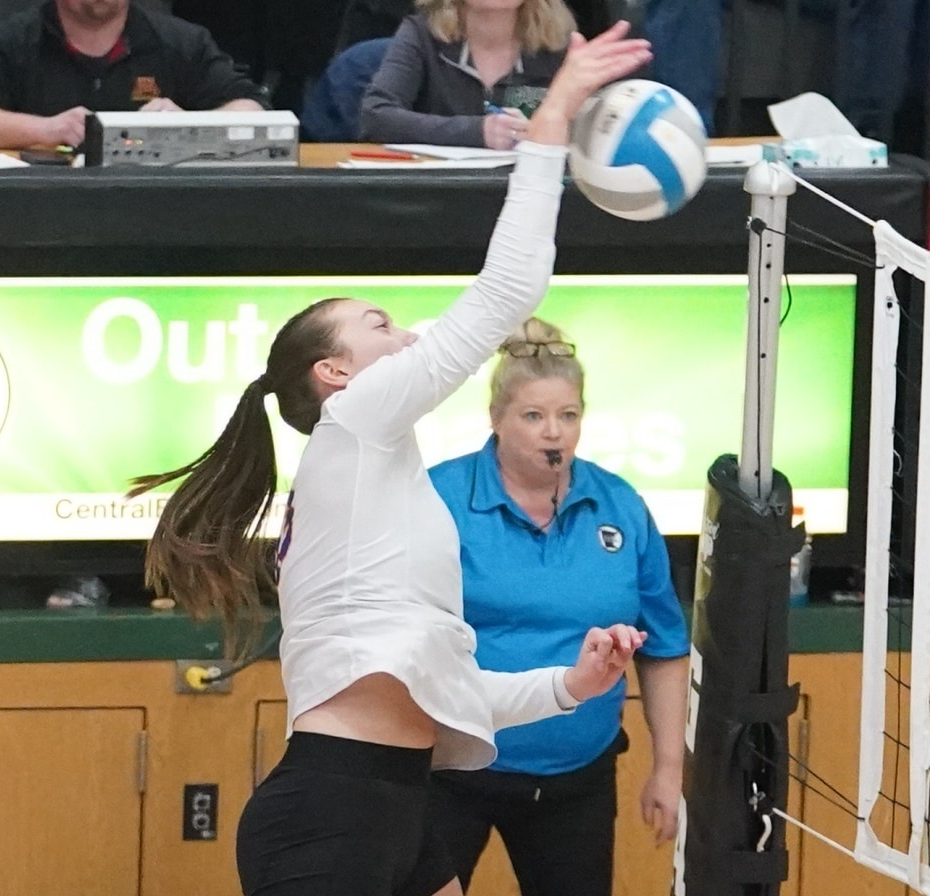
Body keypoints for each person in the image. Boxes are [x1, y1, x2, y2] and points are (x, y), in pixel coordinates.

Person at [127, 21, 653, 896]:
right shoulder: (354, 423)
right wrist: (556, 113)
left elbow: (452, 693)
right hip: (330, 812)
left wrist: (570, 683)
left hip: (397, 805)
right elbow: (507, 292)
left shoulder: (381, 482)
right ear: (334, 374)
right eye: (379, 325)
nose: (405, 335)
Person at [426, 316, 689, 896]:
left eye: (568, 416)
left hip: (577, 778)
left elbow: (665, 647)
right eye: (533, 416)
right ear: (495, 418)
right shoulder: (437, 496)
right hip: (448, 770)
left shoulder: (620, 504)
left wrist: (668, 769)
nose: (554, 433)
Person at [0, 0, 269, 149]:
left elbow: (254, 108)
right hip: (38, 212)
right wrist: (47, 130)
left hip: (157, 213)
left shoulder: (180, 43)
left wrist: (187, 126)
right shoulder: (12, 42)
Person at [358, 0, 578, 149]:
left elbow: (589, 133)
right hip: (440, 192)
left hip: (533, 189)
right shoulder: (421, 34)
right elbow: (376, 116)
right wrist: (477, 132)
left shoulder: (560, 45)